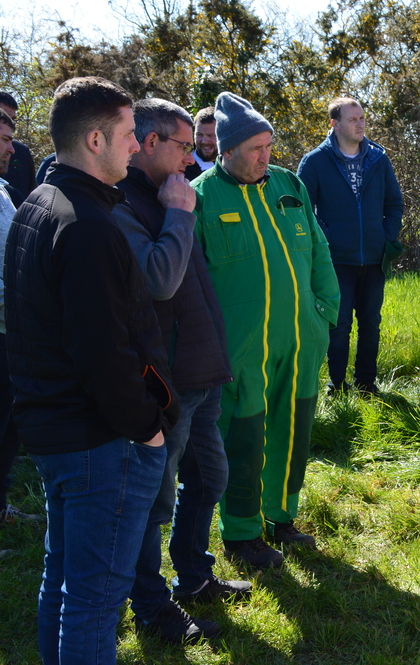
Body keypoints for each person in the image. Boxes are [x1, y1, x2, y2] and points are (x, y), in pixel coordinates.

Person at [5, 76, 178, 664]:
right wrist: (146, 427)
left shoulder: (39, 203)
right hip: (99, 440)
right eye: (130, 135)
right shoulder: (87, 226)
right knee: (94, 600)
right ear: (97, 139)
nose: (137, 147)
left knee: (64, 582)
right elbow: (101, 352)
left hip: (57, 430)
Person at [113, 98, 251, 644]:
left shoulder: (175, 193)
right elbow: (157, 282)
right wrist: (177, 212)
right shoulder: (126, 204)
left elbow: (198, 285)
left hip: (202, 370)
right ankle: (151, 606)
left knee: (209, 477)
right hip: (167, 382)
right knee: (154, 500)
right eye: (182, 145)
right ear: (149, 144)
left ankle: (193, 577)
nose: (193, 156)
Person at [193, 92, 340, 568]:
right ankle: (240, 534)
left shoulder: (288, 184)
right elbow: (188, 281)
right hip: (240, 349)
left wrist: (325, 315)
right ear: (226, 148)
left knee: (293, 432)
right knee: (244, 438)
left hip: (299, 340)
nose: (265, 157)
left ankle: (281, 518)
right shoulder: (200, 197)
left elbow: (319, 251)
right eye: (255, 149)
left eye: (268, 146)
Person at [297, 97, 404, 395]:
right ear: (335, 123)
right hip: (336, 261)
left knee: (371, 323)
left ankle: (367, 383)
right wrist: (326, 240)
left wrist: (385, 235)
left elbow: (394, 203)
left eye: (362, 118)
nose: (360, 123)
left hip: (374, 258)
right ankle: (337, 385)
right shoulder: (315, 162)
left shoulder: (378, 159)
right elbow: (302, 211)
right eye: (353, 119)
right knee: (339, 324)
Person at [0, 108, 40, 527]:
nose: (13, 149)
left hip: (11, 333)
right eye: (4, 139)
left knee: (7, 428)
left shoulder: (3, 191)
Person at [0, 92, 36, 201]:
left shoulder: (22, 152)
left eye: (12, 119)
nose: (9, 123)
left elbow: (32, 193)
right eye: (3, 116)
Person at [184, 106, 217, 180]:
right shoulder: (182, 169)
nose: (204, 141)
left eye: (210, 135)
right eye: (199, 135)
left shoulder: (232, 167)